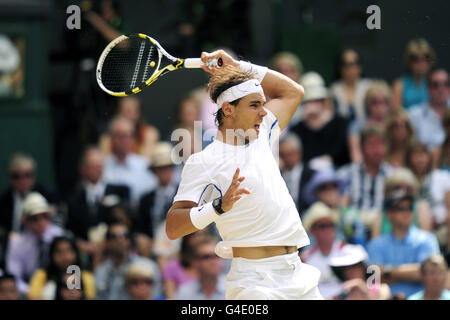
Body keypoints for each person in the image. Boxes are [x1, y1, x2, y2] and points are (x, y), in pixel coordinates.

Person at [166, 50, 322, 300]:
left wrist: (238, 66)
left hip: (297, 272)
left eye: (263, 104)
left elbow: (294, 92)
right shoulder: (204, 161)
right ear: (228, 110)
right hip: (254, 283)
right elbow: (173, 226)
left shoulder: (264, 133)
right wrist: (217, 207)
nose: (263, 112)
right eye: (254, 105)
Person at [367, 189, 440, 297]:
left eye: (410, 208)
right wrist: (414, 273)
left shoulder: (428, 239)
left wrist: (387, 271)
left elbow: (430, 274)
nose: (407, 212)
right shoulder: (375, 245)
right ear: (389, 214)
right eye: (401, 208)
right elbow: (373, 283)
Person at [67, 146, 130, 245]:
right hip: (86, 247)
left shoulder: (120, 191)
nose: (97, 170)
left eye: (99, 166)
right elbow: (72, 228)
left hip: (113, 244)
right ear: (83, 169)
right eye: (92, 166)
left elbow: (126, 222)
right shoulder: (74, 197)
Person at [5, 192, 64, 294]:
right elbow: (14, 278)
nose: (41, 222)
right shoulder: (17, 243)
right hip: (28, 292)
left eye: (45, 216)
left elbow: (71, 268)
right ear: (25, 221)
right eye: (34, 218)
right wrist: (32, 292)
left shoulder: (59, 236)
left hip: (59, 290)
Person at [290, 72, 351, 168]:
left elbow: (342, 153)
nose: (314, 105)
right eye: (309, 101)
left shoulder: (340, 123)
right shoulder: (297, 129)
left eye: (318, 100)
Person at [94, 222, 162, 300]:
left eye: (125, 236)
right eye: (114, 237)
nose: (121, 240)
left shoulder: (147, 266)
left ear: (129, 240)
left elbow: (155, 295)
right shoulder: (101, 271)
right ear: (107, 243)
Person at [338, 126, 393, 216]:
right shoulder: (346, 174)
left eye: (380, 144)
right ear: (362, 148)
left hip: (383, 226)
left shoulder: (392, 175)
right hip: (353, 225)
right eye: (371, 145)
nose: (376, 150)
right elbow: (341, 206)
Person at [102, 116, 158, 204]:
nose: (125, 140)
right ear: (112, 138)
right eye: (121, 136)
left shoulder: (144, 165)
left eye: (129, 136)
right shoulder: (102, 166)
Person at [0, 153, 58, 236]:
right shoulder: (4, 200)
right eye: (16, 176)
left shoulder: (48, 195)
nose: (22, 181)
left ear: (33, 176)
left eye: (27, 175)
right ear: (10, 177)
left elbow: (57, 224)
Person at [305, 170, 366, 245]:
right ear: (317, 193)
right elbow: (307, 247)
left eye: (334, 186)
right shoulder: (309, 215)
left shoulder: (349, 214)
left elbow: (359, 245)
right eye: (324, 187)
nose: (330, 191)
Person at [372, 167, 433, 238]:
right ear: (389, 190)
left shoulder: (421, 208)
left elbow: (426, 240)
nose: (403, 193)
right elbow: (375, 244)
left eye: (407, 189)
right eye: (398, 188)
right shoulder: (382, 214)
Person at [27, 236, 95, 300]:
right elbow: (33, 297)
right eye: (59, 252)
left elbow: (91, 297)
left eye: (68, 251)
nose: (64, 256)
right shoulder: (42, 275)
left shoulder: (85, 276)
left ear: (76, 253)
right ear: (52, 254)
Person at [301, 202, 345, 299]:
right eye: (322, 226)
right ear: (312, 231)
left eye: (330, 225)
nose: (328, 229)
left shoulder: (349, 252)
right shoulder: (304, 259)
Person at [138, 142, 180, 239]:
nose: (164, 172)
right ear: (154, 170)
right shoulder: (146, 199)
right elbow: (142, 228)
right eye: (160, 168)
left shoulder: (184, 195)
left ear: (173, 168)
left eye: (168, 167)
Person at [408, 68, 450, 166]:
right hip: (423, 168)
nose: (441, 89)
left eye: (446, 84)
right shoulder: (413, 115)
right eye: (436, 85)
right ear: (428, 88)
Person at [99, 96, 160, 161]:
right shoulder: (107, 138)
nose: (130, 116)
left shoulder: (148, 133)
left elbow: (146, 162)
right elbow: (105, 165)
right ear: (118, 113)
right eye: (127, 111)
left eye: (134, 111)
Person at [347, 80, 392, 163]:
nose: (380, 107)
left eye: (384, 102)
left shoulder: (395, 125)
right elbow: (355, 155)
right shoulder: (357, 126)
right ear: (367, 105)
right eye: (375, 103)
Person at [176, 235, 226, 300]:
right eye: (207, 257)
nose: (213, 261)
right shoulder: (185, 292)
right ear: (194, 262)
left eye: (217, 256)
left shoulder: (235, 288)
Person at [392, 38, 435, 110]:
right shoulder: (399, 85)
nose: (420, 63)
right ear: (408, 61)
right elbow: (396, 115)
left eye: (425, 58)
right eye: (415, 58)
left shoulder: (436, 84)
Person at [330, 48, 371, 122]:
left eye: (356, 64)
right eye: (347, 65)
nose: (352, 68)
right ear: (340, 68)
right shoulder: (334, 90)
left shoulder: (368, 87)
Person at [279, 133, 316, 215]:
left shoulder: (311, 174)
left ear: (299, 152)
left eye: (290, 154)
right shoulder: (277, 176)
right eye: (283, 155)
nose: (287, 158)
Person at [161, 233, 199, 300]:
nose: (200, 239)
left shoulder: (213, 264)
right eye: (196, 235)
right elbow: (171, 297)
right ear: (187, 239)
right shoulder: (171, 267)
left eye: (203, 235)